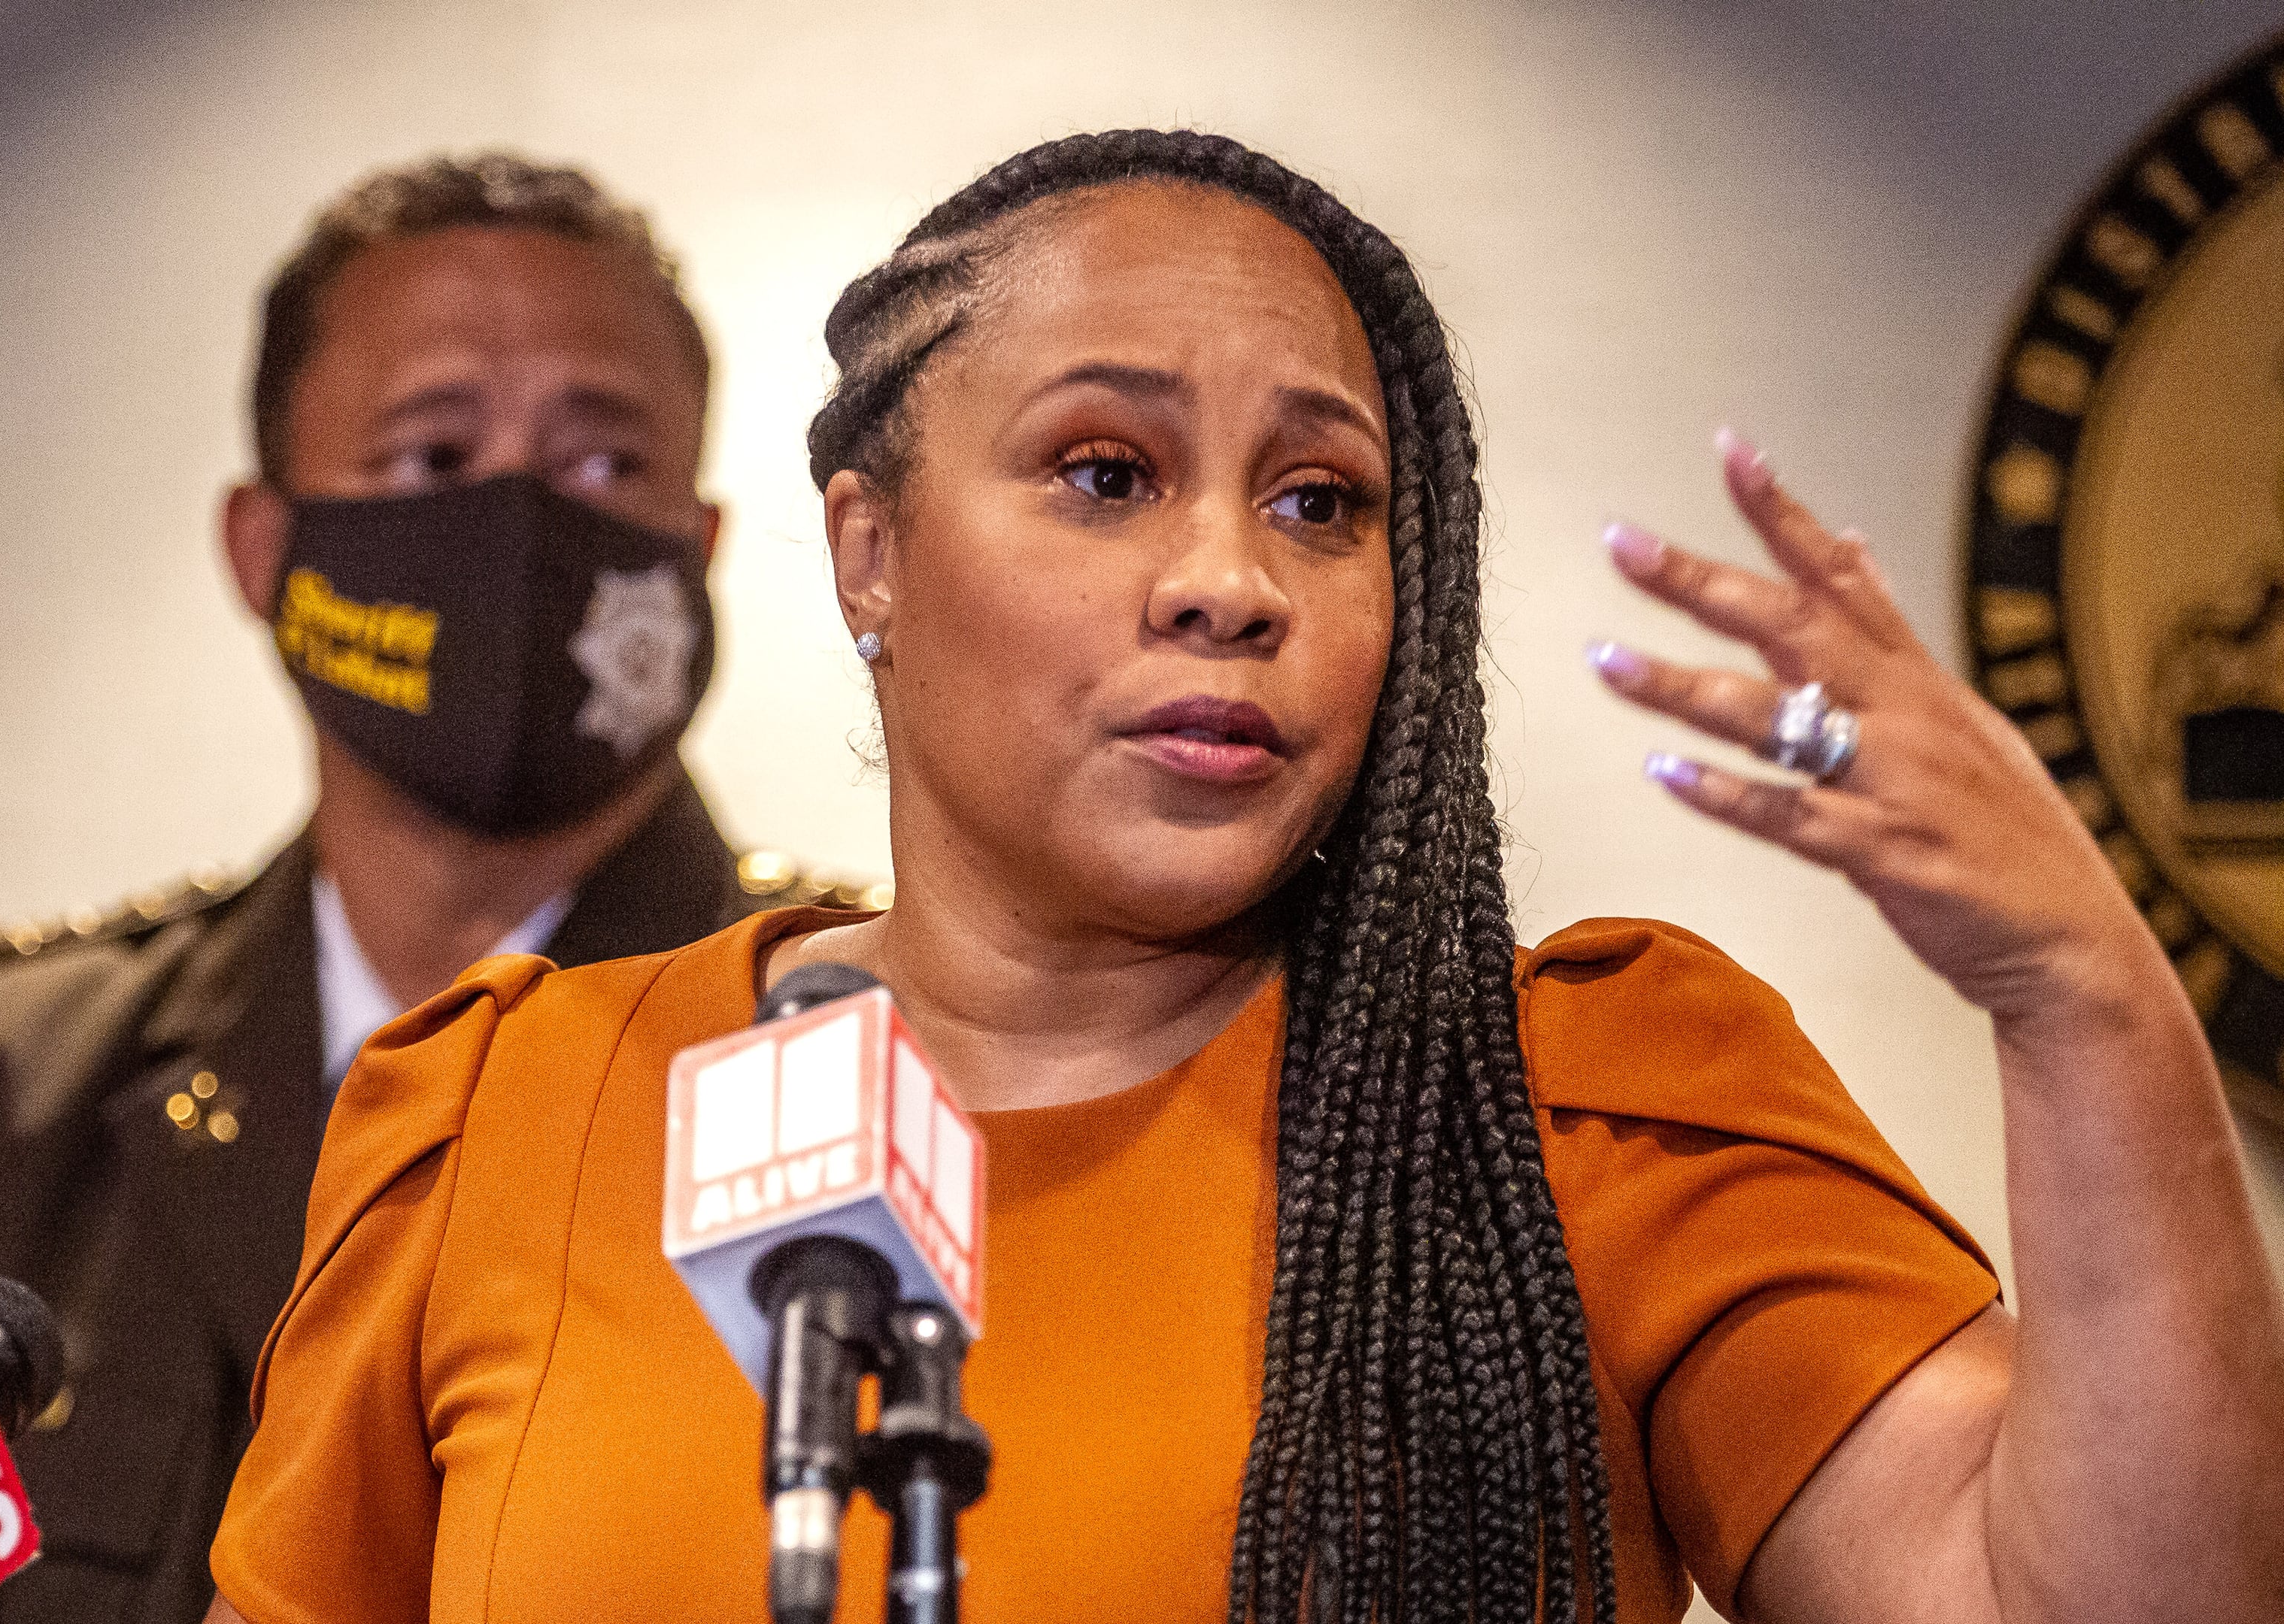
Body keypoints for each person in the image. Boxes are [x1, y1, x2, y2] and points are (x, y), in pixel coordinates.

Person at [203, 131, 2284, 1624]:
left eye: (1323, 502)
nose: (1227, 583)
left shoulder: (1588, 1094)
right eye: (1104, 474)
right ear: (870, 553)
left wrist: (2085, 999)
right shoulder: (503, 1110)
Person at [0, 154, 866, 1624]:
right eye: (430, 460)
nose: (522, 529)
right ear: (265, 551)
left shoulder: (866, 1066)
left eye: (607, 466)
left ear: (701, 548)